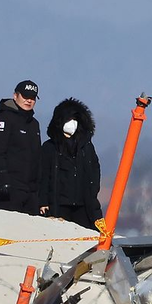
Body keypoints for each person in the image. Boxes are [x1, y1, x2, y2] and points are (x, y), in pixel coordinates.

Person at [39, 98, 103, 230]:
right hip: (59, 204)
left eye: (75, 120)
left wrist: (92, 192)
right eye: (68, 119)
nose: (72, 123)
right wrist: (43, 202)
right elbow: (43, 176)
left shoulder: (86, 147)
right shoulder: (50, 147)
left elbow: (95, 170)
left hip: (83, 205)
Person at [0, 80, 43, 215]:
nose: (29, 101)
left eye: (32, 98)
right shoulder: (3, 119)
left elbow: (37, 156)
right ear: (15, 96)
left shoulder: (34, 124)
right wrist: (3, 181)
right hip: (10, 188)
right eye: (25, 96)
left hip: (31, 189)